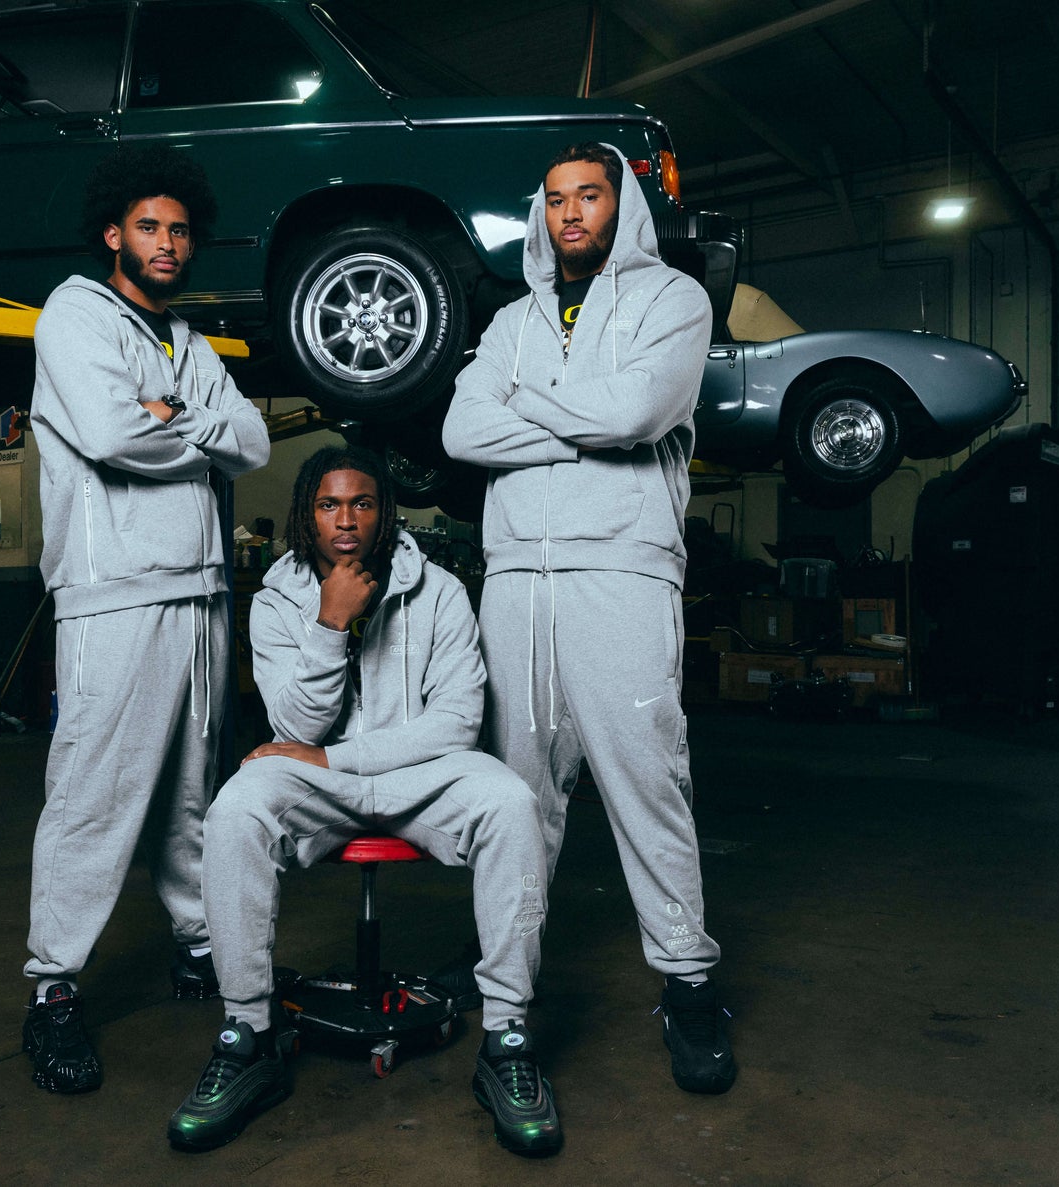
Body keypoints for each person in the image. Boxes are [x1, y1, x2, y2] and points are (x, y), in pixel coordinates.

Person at [441, 142, 737, 1094]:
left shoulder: (674, 302)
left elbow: (641, 411)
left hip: (623, 571)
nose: (572, 213)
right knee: (518, 799)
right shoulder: (508, 321)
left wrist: (527, 411)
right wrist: (581, 419)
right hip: (516, 581)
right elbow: (459, 430)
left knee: (649, 780)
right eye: (557, 200)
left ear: (624, 207)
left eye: (591, 196)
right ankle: (507, 1004)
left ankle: (690, 985)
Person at [166, 446, 560, 1157]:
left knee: (510, 801)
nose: (345, 520)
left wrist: (334, 757)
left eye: (362, 503)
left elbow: (456, 722)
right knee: (234, 811)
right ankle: (247, 1033)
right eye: (328, 504)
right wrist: (329, 622)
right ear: (305, 514)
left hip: (419, 771)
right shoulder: (276, 599)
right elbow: (295, 727)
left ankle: (508, 1036)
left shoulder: (438, 589)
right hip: (316, 777)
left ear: (385, 512)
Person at [21, 145, 270, 1095]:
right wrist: (184, 426)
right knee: (95, 792)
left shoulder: (190, 344)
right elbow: (117, 434)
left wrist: (187, 417)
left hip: (202, 589)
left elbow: (245, 442)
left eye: (178, 229)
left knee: (190, 794)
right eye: (149, 227)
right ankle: (52, 989)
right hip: (115, 589)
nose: (167, 243)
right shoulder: (77, 312)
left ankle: (198, 946)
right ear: (112, 233)